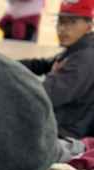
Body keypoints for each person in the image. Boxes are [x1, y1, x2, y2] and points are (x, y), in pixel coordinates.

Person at [20, 0, 94, 138]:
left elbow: (41, 96)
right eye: (60, 21)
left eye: (72, 22)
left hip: (64, 135)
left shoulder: (84, 59)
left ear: (89, 25)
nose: (62, 29)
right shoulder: (77, 49)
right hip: (58, 125)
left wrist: (52, 74)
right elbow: (41, 64)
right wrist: (5, 64)